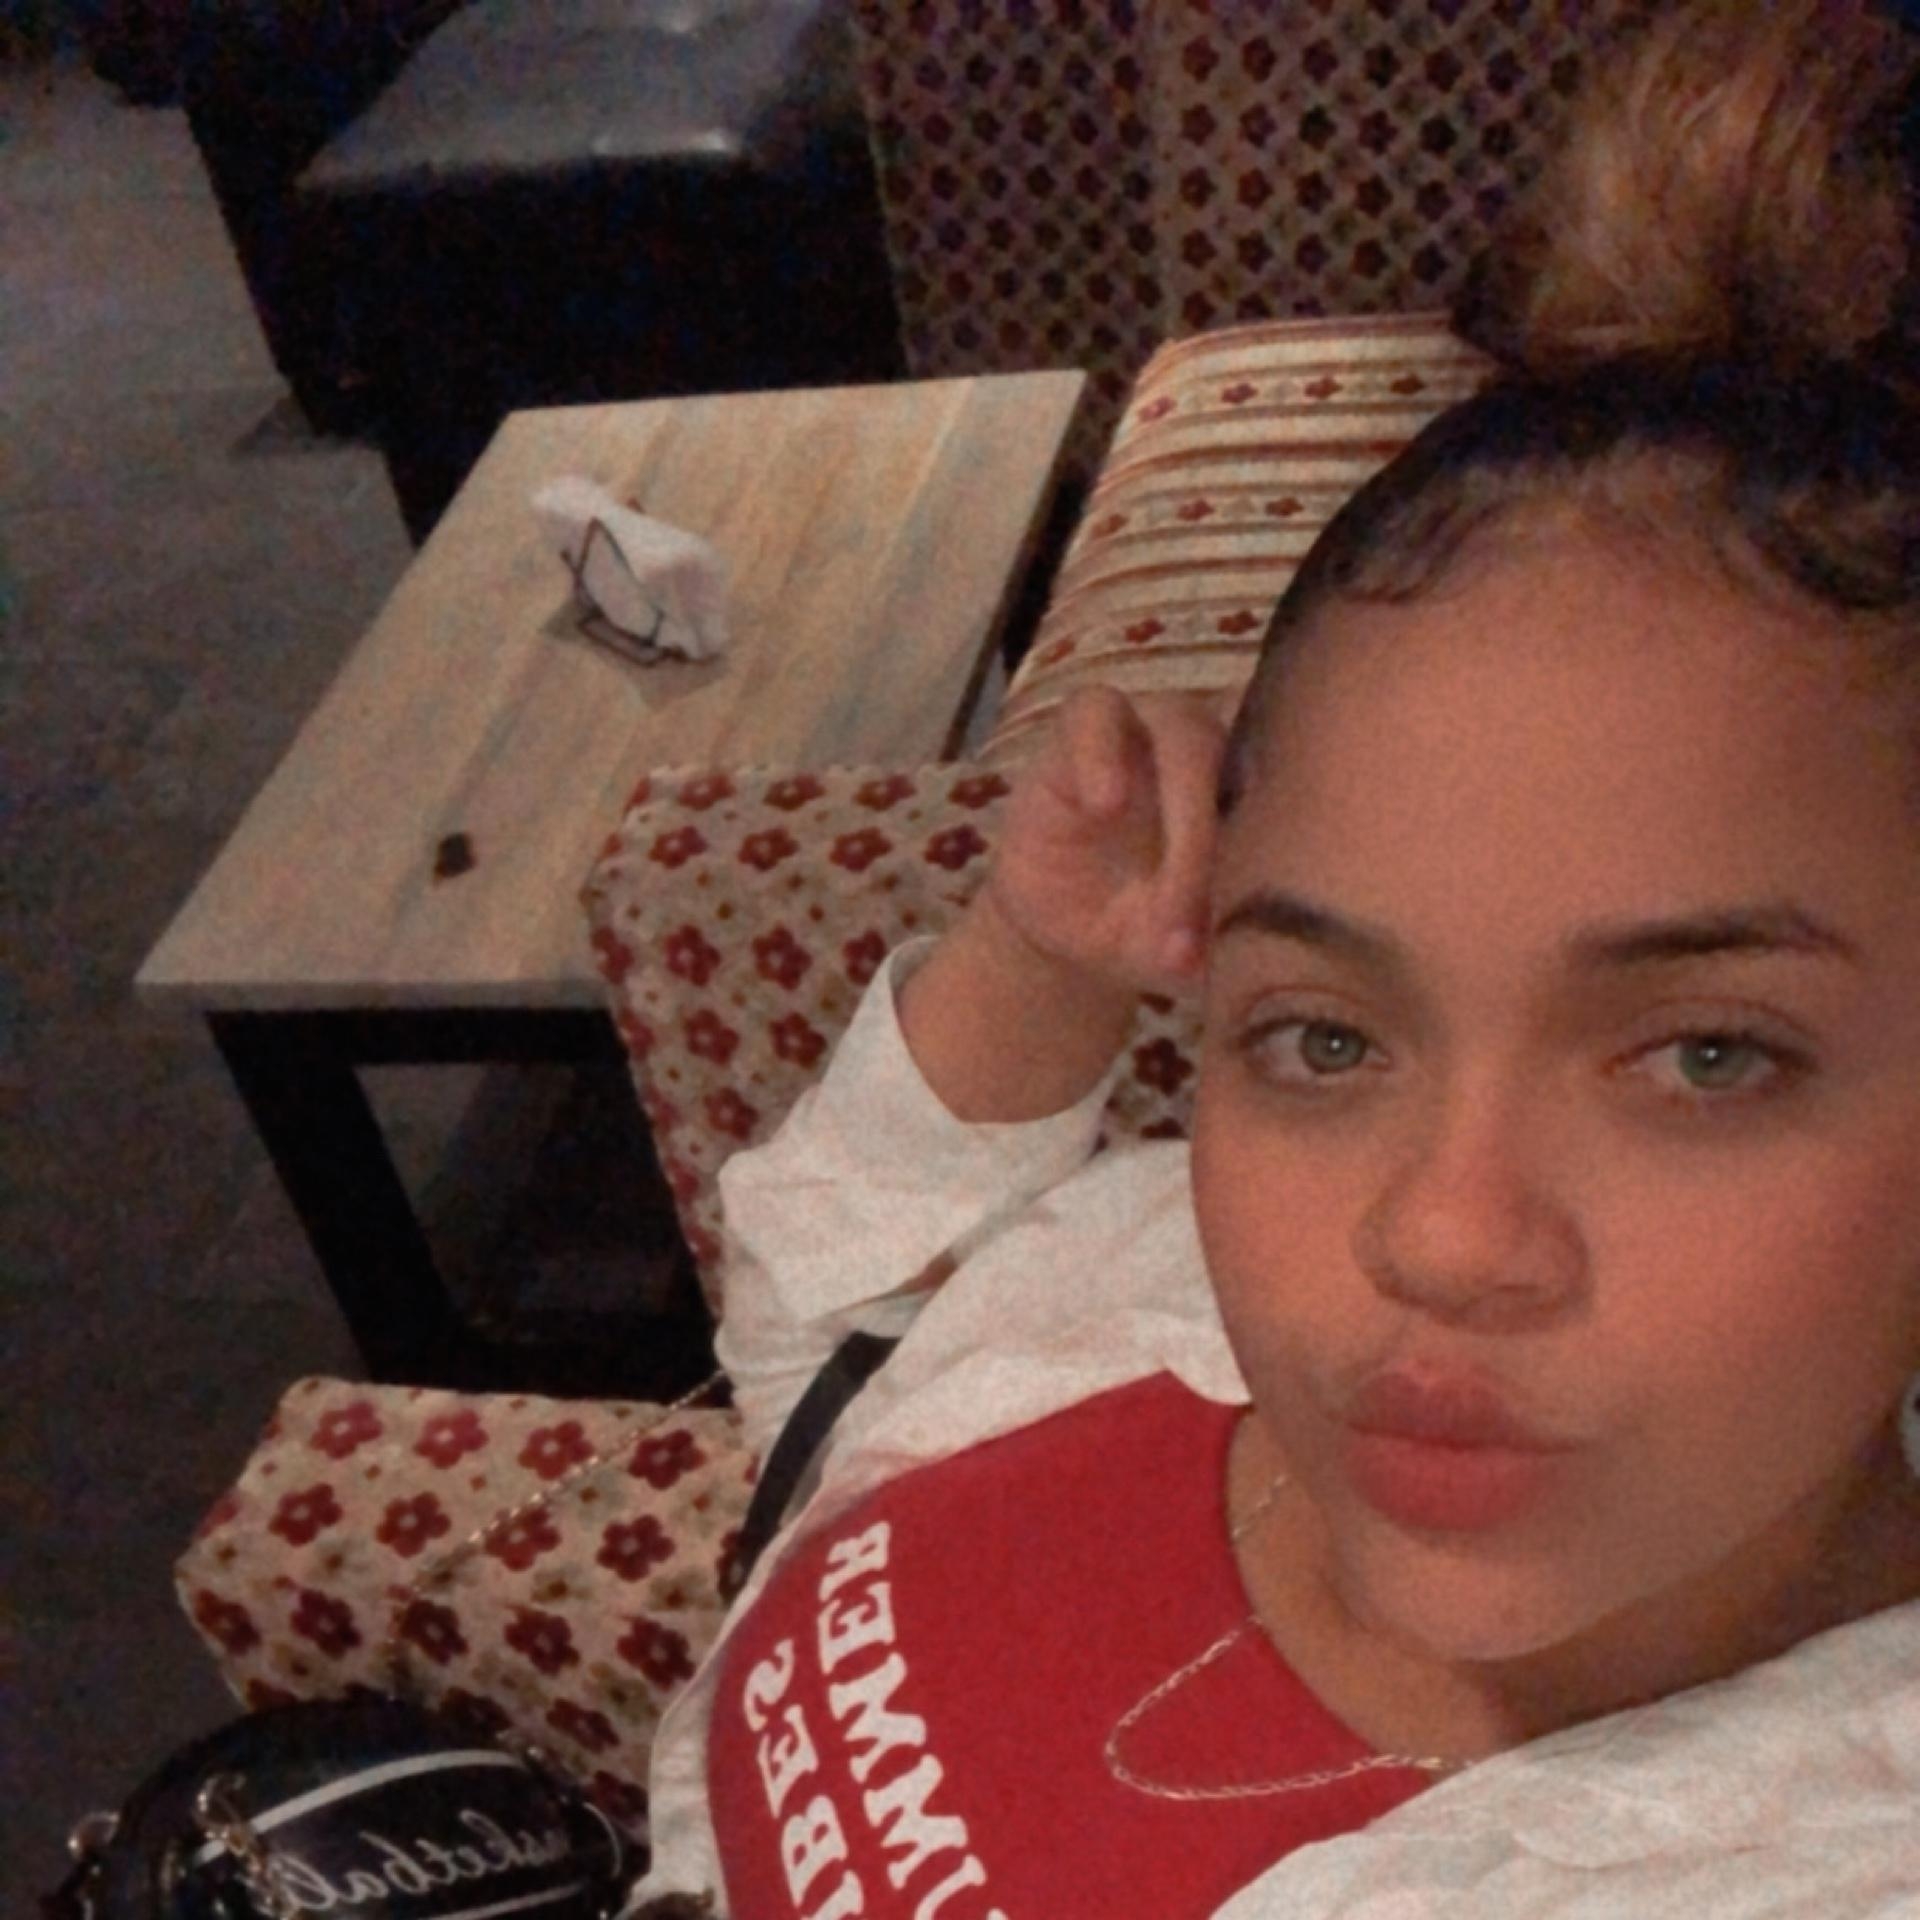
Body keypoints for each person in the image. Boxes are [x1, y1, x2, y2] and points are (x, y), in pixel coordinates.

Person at [626, 3, 1920, 1913]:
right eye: (1325, 1035)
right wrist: (1041, 955)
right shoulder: (1148, 1274)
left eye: (1707, 1058)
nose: (1437, 1237)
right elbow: (837, 1338)